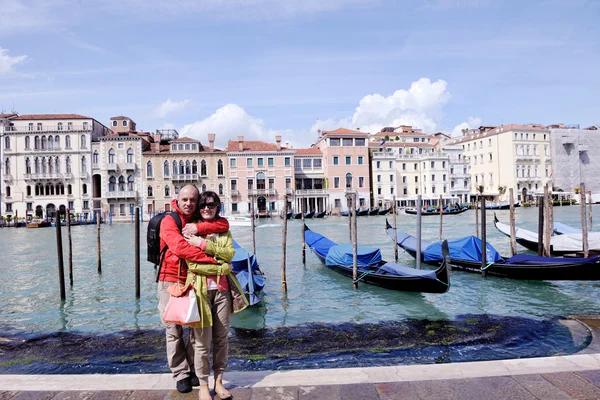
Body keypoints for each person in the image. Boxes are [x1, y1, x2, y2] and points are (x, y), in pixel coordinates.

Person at [158, 184, 230, 393]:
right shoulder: (169, 221)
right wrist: (215, 261)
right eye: (185, 200)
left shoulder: (197, 220)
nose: (189, 203)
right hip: (170, 279)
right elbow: (180, 248)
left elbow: (223, 223)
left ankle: (193, 371)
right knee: (173, 329)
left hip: (193, 278)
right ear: (177, 200)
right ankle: (180, 374)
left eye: (192, 200)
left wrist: (199, 229)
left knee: (195, 329)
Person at [184, 191, 248, 400]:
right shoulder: (190, 231)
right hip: (200, 291)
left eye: (211, 205)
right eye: (202, 204)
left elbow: (230, 254)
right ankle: (203, 384)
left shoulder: (223, 231)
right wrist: (222, 269)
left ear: (217, 207)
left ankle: (218, 381)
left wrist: (203, 245)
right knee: (202, 342)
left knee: (221, 339)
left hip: (222, 293)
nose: (206, 208)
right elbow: (193, 264)